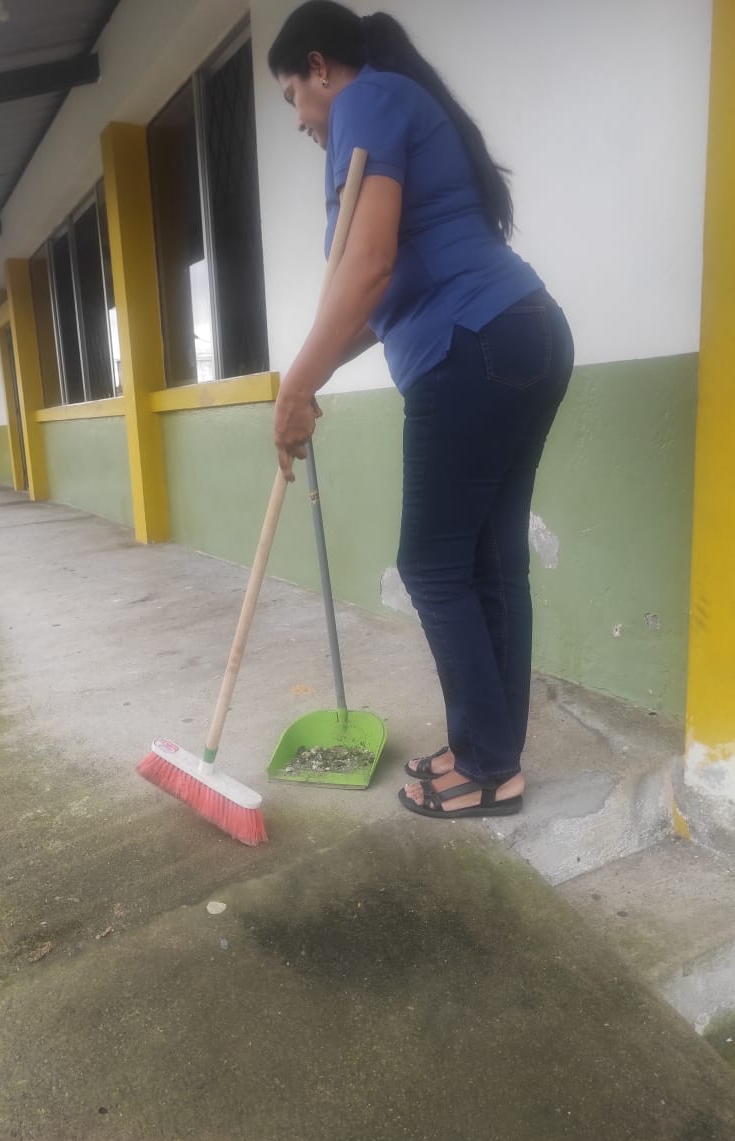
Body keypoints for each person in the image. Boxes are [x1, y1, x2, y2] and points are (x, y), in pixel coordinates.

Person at [268, 1, 574, 819]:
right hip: (524, 329)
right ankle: (491, 755)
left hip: (472, 345)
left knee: (433, 568)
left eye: (293, 95)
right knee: (490, 564)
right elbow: (378, 305)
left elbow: (367, 265)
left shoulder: (366, 100)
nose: (298, 118)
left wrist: (295, 386)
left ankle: (485, 764)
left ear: (321, 68)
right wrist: (310, 378)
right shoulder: (398, 104)